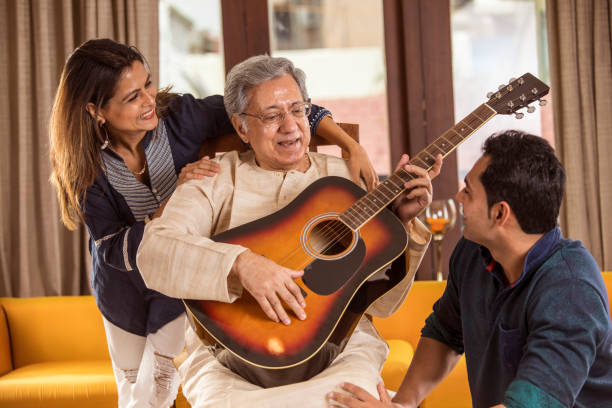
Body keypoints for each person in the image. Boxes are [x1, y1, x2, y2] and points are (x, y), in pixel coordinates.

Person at [48, 39, 377, 408]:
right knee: (135, 395)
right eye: (132, 97)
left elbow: (276, 106)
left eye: (148, 85)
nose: (148, 101)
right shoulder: (86, 169)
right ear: (97, 111)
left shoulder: (181, 116)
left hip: (191, 275)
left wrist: (350, 145)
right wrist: (172, 201)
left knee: (162, 382)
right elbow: (113, 249)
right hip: (125, 285)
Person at [136, 54, 442, 407]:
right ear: (241, 128)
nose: (290, 126)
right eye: (271, 116)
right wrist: (241, 265)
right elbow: (154, 251)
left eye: (297, 110)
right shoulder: (213, 178)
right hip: (231, 366)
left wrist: (401, 223)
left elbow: (383, 304)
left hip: (339, 352)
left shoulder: (350, 178)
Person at [327, 130, 612, 408]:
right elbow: (445, 333)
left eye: (469, 191)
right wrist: (403, 403)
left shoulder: (572, 291)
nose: (459, 197)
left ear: (500, 213)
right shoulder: (473, 252)